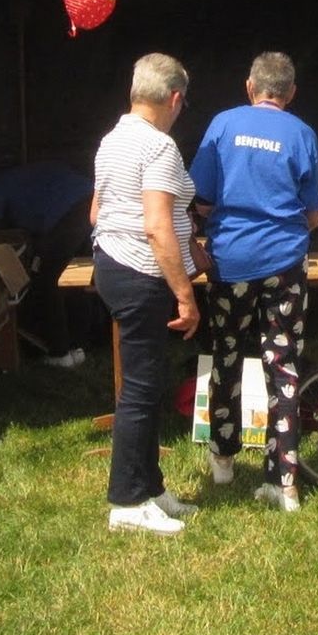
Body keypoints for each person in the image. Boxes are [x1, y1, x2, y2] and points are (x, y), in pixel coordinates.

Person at [189, 52, 318, 513]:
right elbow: (315, 213)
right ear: (291, 93)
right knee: (283, 366)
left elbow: (197, 194)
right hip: (285, 263)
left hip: (231, 263)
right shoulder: (303, 133)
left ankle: (223, 460)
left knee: (226, 355)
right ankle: (284, 482)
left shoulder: (223, 124)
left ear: (250, 87)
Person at [91, 53, 202, 536]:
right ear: (175, 99)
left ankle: (151, 486)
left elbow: (96, 213)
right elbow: (158, 228)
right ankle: (127, 501)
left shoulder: (111, 140)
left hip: (112, 264)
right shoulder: (160, 147)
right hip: (142, 271)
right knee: (140, 388)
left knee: (148, 382)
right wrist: (185, 294)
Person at [0, 160, 93, 365]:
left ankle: (59, 353)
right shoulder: (27, 176)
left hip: (69, 214)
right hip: (93, 203)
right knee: (75, 279)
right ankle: (79, 347)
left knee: (48, 281)